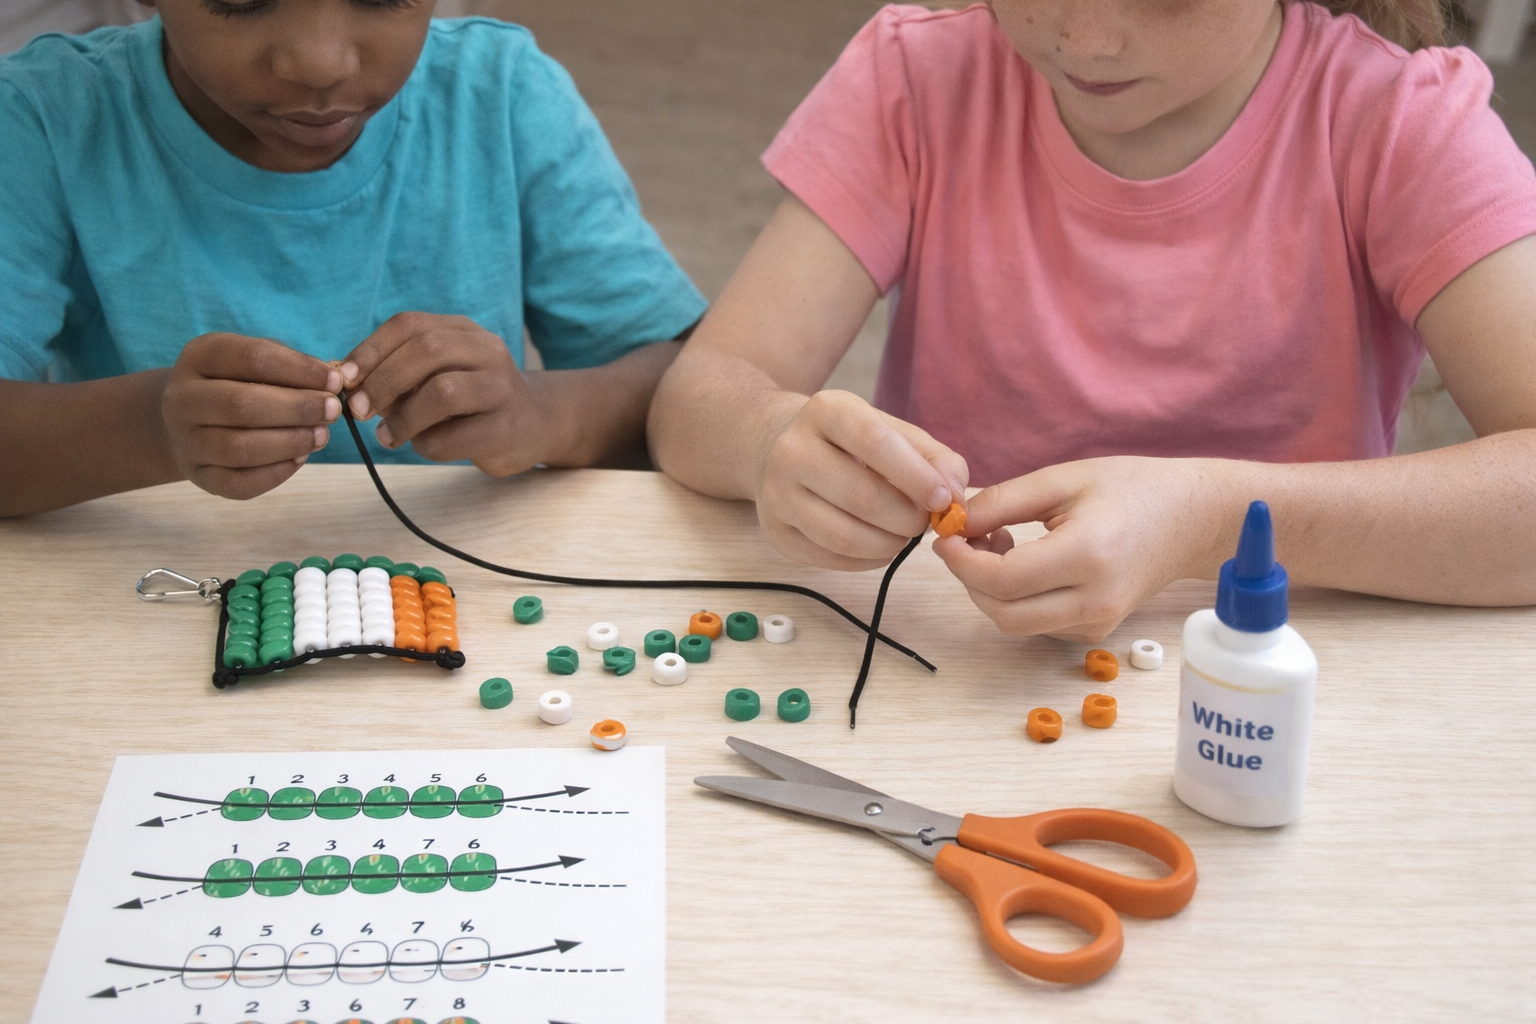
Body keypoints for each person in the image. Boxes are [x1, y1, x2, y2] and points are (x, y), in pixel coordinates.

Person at [649, 0, 1536, 642]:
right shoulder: (917, 79)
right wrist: (768, 441)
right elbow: (697, 400)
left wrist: (1211, 519)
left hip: (1277, 676)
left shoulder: (1398, 122)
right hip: (963, 668)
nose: (1086, 37)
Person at [0, 0, 706, 516]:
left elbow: (695, 380)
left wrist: (542, 414)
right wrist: (149, 425)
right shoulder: (42, 120)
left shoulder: (502, 96)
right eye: (242, 0)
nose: (319, 62)